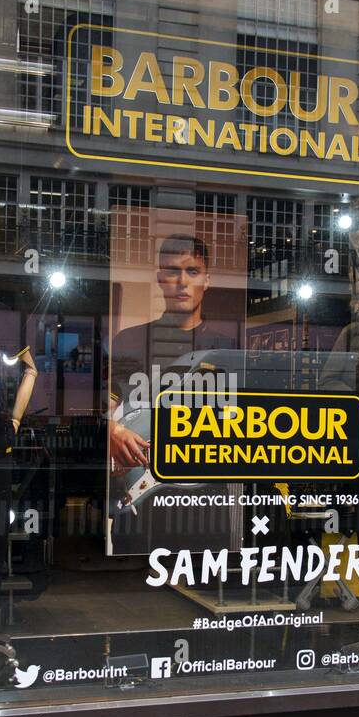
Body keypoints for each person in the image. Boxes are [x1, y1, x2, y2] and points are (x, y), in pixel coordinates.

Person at [106, 234, 237, 554]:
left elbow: (242, 421)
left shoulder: (226, 349)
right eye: (172, 271)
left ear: (207, 279)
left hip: (208, 502)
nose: (181, 282)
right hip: (142, 501)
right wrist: (112, 431)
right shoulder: (129, 340)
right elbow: (105, 405)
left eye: (192, 271)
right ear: (159, 278)